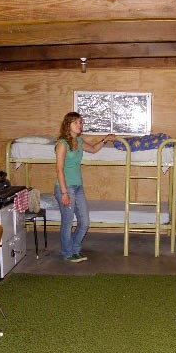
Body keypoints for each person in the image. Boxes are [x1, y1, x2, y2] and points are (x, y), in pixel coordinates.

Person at [55, 112, 115, 262]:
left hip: (78, 186)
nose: (80, 125)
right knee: (67, 223)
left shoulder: (79, 141)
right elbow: (59, 169)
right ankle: (68, 253)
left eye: (81, 123)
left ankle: (75, 249)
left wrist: (105, 140)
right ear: (68, 125)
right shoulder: (62, 144)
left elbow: (94, 149)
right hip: (65, 187)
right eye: (76, 123)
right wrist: (64, 192)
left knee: (85, 222)